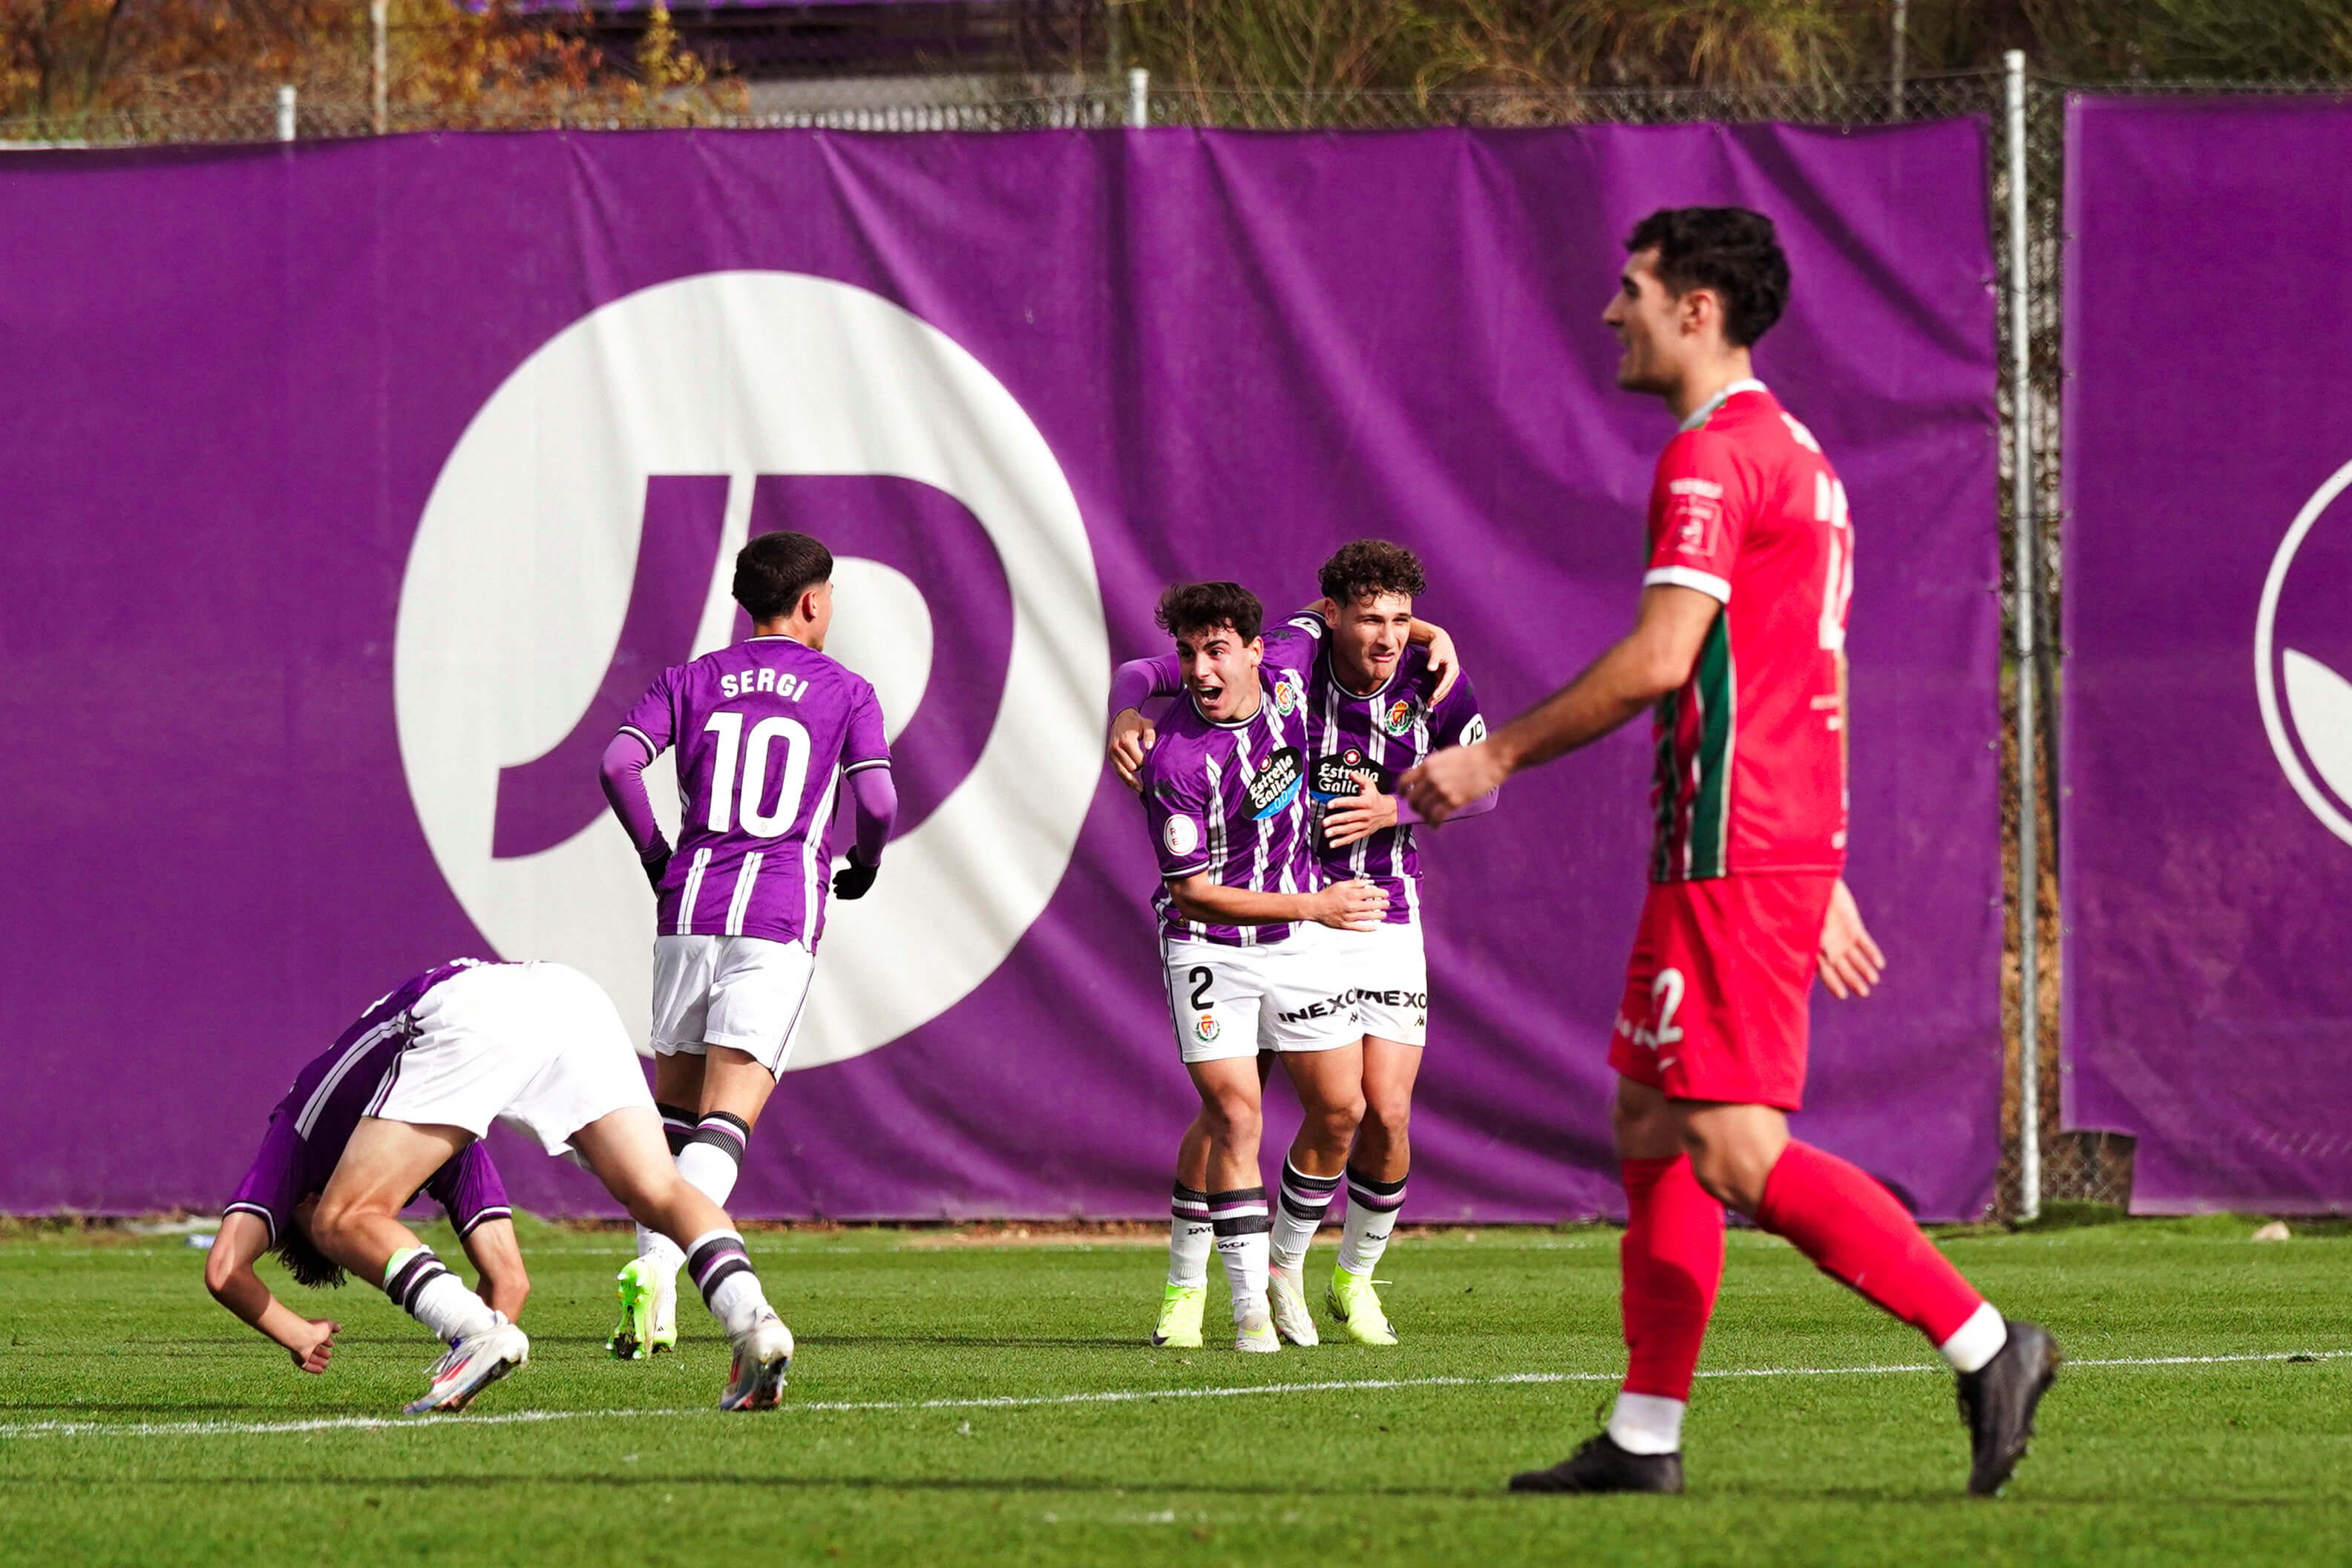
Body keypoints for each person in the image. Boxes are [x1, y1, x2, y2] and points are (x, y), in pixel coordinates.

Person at [1401, 206, 2057, 1498]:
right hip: (1756, 834)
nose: (1610, 312)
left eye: (1631, 288)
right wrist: (1815, 854)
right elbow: (1803, 663)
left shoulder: (1709, 458)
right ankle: (1644, 1437)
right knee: (1646, 1116)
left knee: (1728, 1145)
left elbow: (1659, 659)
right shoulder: (1798, 452)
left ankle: (1985, 1340)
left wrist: (1491, 757)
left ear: (1695, 309)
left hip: (1733, 839)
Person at [1108, 541, 1493, 1347]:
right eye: (1371, 619)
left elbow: (1484, 780)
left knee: (1378, 1113)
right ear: (1332, 618)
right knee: (1231, 1106)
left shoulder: (1431, 675)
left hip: (1379, 907)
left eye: (1400, 620)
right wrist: (1128, 708)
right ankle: (1187, 1287)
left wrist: (1397, 809)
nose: (1387, 637)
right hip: (1287, 908)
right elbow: (1163, 666)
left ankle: (1330, 1276)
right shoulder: (1291, 656)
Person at [205, 957, 795, 1414]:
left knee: (346, 1218)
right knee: (659, 1189)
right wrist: (487, 1337)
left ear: (296, 1202)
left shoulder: (298, 1132)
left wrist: (297, 1330)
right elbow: (507, 1278)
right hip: (567, 995)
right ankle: (754, 1322)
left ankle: (470, 1335)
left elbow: (225, 1266)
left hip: (465, 1010)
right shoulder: (426, 1134)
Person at [598, 530, 897, 1359]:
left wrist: (660, 855)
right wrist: (863, 862)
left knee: (673, 1118)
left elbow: (619, 764)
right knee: (726, 1121)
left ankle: (645, 1281)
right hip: (774, 915)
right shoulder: (845, 689)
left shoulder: (691, 679)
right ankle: (667, 1277)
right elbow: (875, 803)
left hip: (688, 909)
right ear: (811, 602)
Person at [1133, 581, 1388, 1351]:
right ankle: (1231, 1306)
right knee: (1236, 1114)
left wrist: (1432, 634)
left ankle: (1281, 1274)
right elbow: (1197, 893)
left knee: (1344, 1112)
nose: (1200, 671)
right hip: (1210, 946)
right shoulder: (1173, 762)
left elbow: (1342, 613)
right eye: (1186, 654)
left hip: (1300, 944)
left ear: (1253, 649)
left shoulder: (1289, 663)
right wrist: (1316, 905)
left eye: (1215, 650)